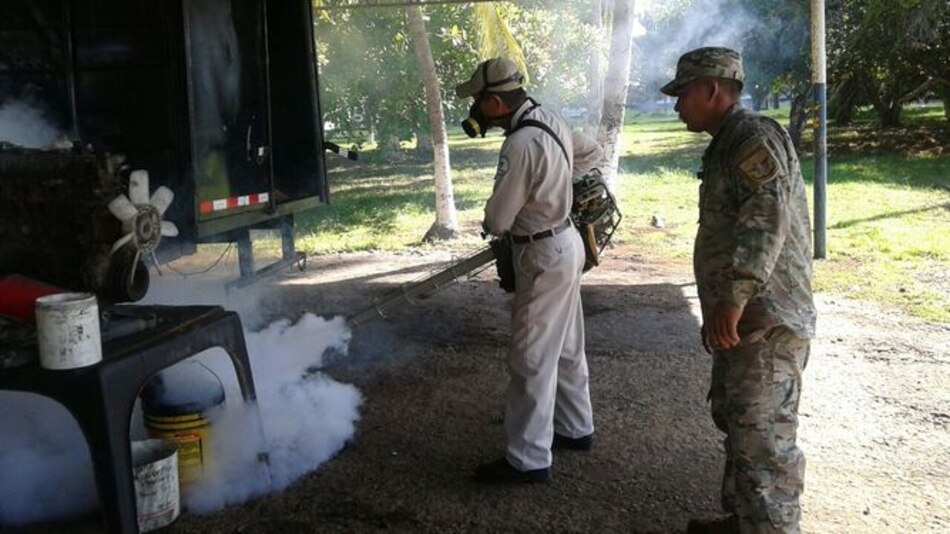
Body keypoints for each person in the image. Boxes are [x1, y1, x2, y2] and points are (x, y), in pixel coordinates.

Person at [660, 47, 817, 533]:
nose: (677, 105)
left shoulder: (751, 139)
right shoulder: (728, 141)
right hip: (744, 315)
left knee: (764, 437)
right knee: (738, 420)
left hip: (765, 317)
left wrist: (733, 296)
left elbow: (766, 219)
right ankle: (745, 521)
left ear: (712, 89)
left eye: (683, 93)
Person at [454, 57, 602, 484]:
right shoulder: (548, 117)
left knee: (531, 357)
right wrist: (557, 188)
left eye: (478, 100)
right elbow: (590, 153)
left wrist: (504, 215)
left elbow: (499, 219)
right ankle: (575, 428)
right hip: (567, 242)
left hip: (540, 253)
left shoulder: (519, 144)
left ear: (495, 102)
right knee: (567, 345)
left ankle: (527, 459)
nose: (476, 110)